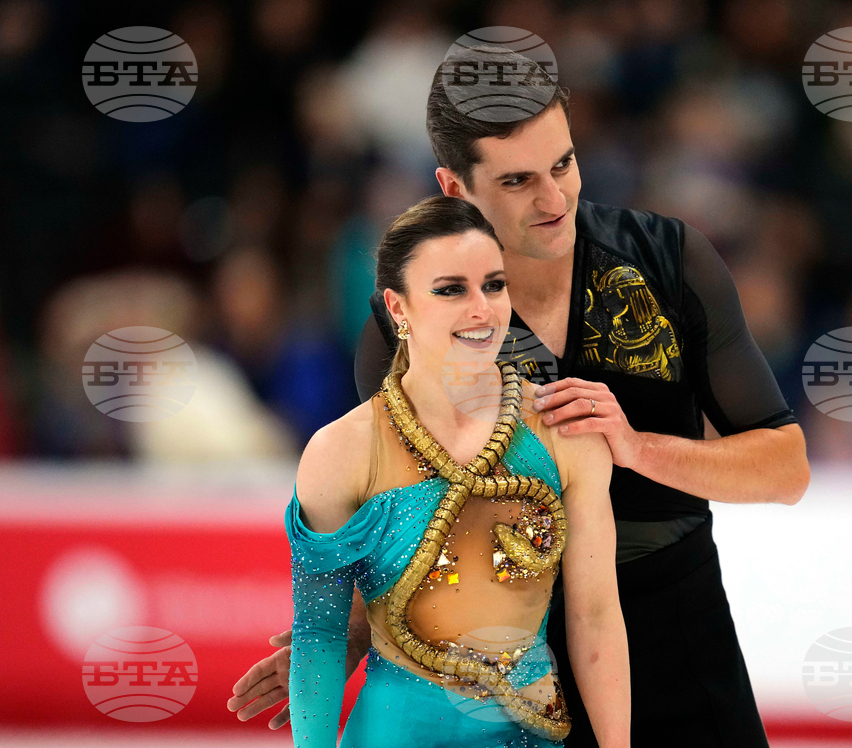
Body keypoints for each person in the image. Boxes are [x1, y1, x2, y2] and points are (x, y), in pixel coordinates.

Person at [230, 46, 809, 746]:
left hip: (680, 632)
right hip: (508, 672)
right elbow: (406, 516)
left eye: (563, 164)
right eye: (517, 181)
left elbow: (786, 469)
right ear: (455, 187)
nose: (555, 199)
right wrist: (346, 638)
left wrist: (636, 449)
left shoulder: (668, 261)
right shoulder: (404, 329)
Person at [272, 195, 629, 747]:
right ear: (398, 308)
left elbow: (596, 616)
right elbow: (320, 634)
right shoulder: (340, 450)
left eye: (494, 285)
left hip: (527, 735)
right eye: (451, 289)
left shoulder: (565, 433)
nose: (482, 309)